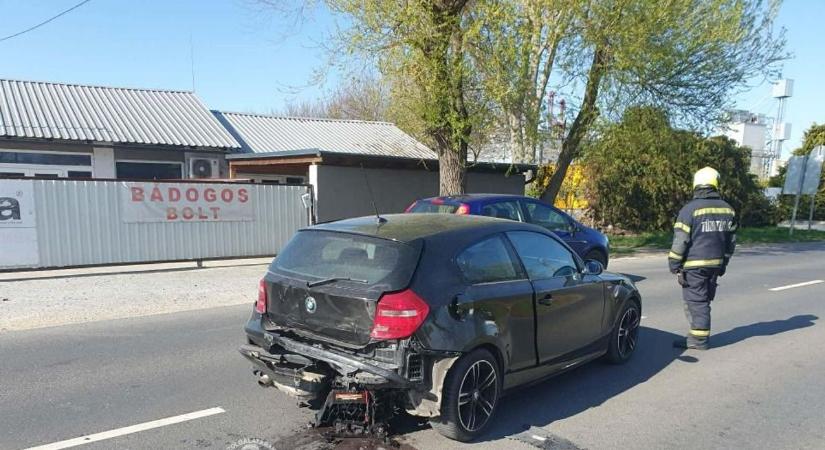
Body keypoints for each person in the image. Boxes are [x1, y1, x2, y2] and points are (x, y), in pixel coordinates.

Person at [668, 167, 737, 350]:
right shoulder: (728, 210)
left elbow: (681, 240)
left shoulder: (690, 209)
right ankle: (697, 335)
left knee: (696, 302)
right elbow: (731, 242)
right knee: (704, 300)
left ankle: (698, 339)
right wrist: (724, 262)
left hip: (694, 265)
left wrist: (674, 263)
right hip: (716, 264)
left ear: (696, 185)